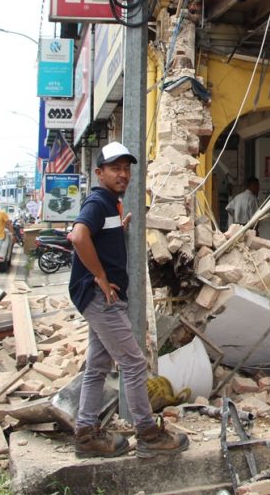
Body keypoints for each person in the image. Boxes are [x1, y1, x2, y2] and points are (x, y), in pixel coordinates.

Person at [67, 141, 189, 459]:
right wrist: (102, 278)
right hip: (98, 295)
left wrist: (117, 230)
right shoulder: (99, 201)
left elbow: (95, 236)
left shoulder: (111, 204)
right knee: (133, 362)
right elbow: (78, 236)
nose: (123, 174)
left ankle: (86, 433)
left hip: (95, 294)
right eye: (115, 168)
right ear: (99, 173)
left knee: (98, 365)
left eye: (126, 168)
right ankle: (148, 434)